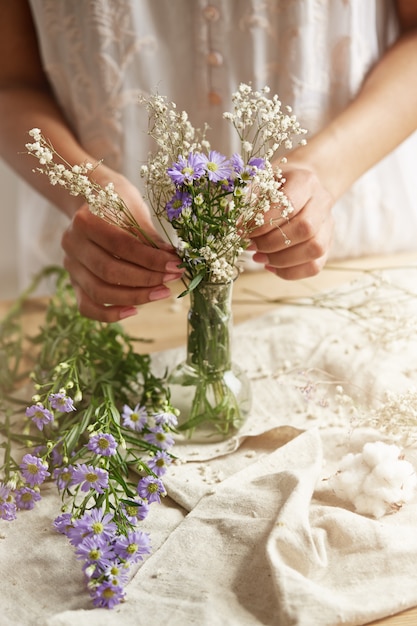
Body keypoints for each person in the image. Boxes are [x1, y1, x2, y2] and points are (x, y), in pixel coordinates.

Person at [0, 0, 417, 322]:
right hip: (105, 266)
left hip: (339, 251)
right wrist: (86, 188)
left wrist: (322, 170)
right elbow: (10, 80)